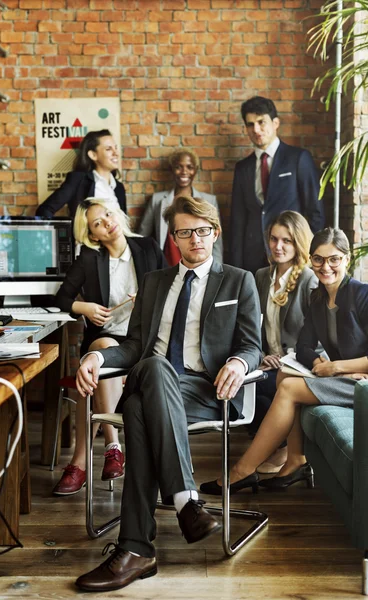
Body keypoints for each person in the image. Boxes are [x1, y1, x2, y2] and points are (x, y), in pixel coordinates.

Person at [74, 195, 261, 592]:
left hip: (203, 388)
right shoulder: (155, 282)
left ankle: (136, 548)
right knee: (156, 365)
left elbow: (251, 344)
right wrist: (96, 358)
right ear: (173, 237)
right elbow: (133, 344)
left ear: (216, 232)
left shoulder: (239, 280)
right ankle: (185, 501)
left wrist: (239, 364)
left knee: (140, 409)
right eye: (185, 232)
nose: (195, 239)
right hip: (153, 373)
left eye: (203, 230)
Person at [201, 227, 368, 495]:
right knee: (283, 376)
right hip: (345, 379)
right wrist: (319, 364)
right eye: (318, 259)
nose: (326, 267)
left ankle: (241, 472)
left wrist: (338, 367)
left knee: (289, 388)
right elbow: (303, 347)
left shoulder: (362, 295)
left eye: (334, 259)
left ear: (346, 259)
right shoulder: (318, 298)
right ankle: (295, 460)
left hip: (362, 384)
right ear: (310, 259)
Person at [52, 198, 166, 496]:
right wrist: (85, 306)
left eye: (107, 214)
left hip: (143, 342)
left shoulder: (148, 248)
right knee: (100, 350)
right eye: (97, 223)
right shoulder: (91, 259)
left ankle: (80, 462)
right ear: (93, 235)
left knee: (86, 380)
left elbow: (173, 287)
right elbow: (61, 298)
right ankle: (113, 446)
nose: (107, 222)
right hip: (108, 337)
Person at [246, 211, 317, 475]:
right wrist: (262, 354)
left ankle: (284, 449)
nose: (278, 246)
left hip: (296, 364)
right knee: (242, 386)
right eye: (274, 239)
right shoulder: (261, 276)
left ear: (299, 242)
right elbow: (251, 326)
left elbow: (317, 337)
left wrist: (287, 358)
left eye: (286, 240)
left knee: (263, 390)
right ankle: (274, 447)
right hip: (267, 362)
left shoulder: (309, 279)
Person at [228, 96, 325, 273]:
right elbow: (237, 221)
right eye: (250, 124)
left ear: (275, 123)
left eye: (261, 122)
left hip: (292, 254)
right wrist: (235, 269)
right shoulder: (242, 168)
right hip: (252, 258)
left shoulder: (298, 158)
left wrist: (310, 254)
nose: (256, 129)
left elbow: (315, 211)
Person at [138, 148, 223, 265]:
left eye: (189, 167)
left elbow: (217, 244)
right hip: (166, 265)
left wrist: (216, 272)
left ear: (196, 170)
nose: (184, 171)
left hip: (200, 264)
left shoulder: (209, 200)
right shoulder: (157, 200)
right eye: (178, 167)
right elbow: (142, 238)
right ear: (172, 170)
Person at [36, 129, 126, 218]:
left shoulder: (119, 188)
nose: (116, 153)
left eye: (116, 148)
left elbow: (124, 225)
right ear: (93, 155)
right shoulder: (78, 180)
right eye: (108, 149)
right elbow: (45, 210)